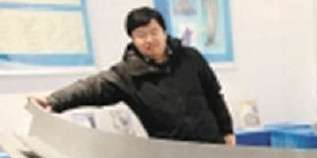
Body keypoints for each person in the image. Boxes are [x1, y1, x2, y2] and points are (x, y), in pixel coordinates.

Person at [32, 6, 235, 146]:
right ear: (133, 39)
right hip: (172, 155)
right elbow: (91, 88)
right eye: (141, 35)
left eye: (154, 32)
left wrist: (227, 131)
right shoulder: (127, 74)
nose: (149, 39)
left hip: (212, 145)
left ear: (164, 32)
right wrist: (54, 100)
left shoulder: (191, 58)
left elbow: (214, 95)